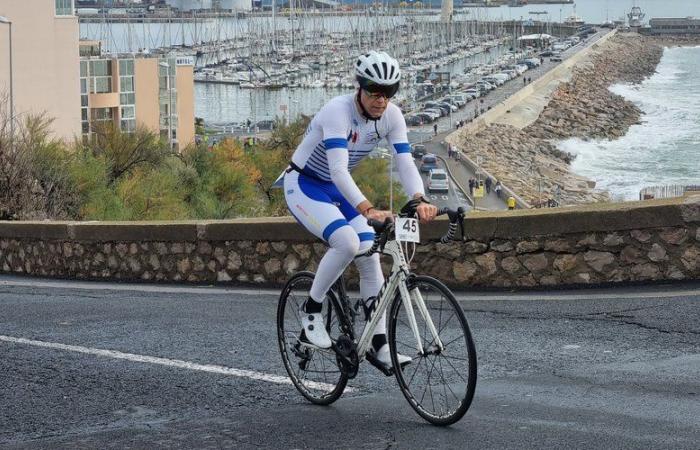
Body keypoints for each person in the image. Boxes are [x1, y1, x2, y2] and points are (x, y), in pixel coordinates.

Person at [282, 50, 438, 368]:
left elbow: (405, 162)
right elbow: (338, 170)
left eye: (389, 93)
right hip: (305, 184)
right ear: (360, 88)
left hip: (337, 192)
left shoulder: (392, 117)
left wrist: (419, 198)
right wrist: (367, 209)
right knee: (348, 242)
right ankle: (311, 310)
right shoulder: (337, 112)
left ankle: (378, 345)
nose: (381, 100)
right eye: (374, 92)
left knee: (369, 255)